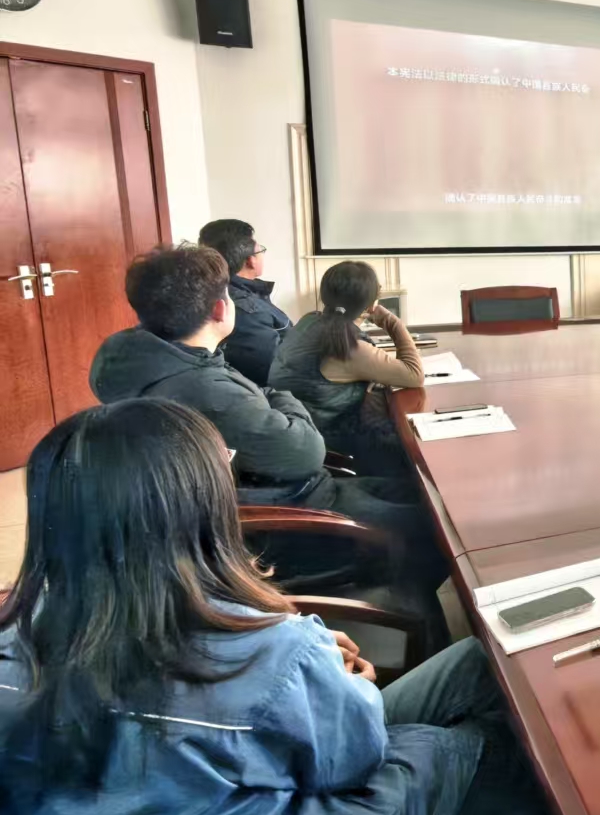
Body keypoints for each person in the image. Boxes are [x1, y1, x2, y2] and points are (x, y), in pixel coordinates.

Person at [0, 400, 583, 815]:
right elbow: (353, 759)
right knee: (491, 740)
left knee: (477, 667)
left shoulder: (13, 646)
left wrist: (308, 662)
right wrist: (334, 675)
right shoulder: (263, 651)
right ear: (200, 511)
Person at [89, 244, 445, 592]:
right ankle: (418, 620)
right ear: (220, 309)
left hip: (276, 499)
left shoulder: (162, 363)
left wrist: (272, 398)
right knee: (441, 526)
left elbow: (270, 396)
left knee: (428, 496)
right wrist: (281, 398)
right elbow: (305, 450)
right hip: (292, 524)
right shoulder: (204, 389)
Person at [270, 260, 422, 477]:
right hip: (329, 437)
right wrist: (392, 322)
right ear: (371, 305)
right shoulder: (349, 347)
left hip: (296, 429)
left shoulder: (309, 321)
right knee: (410, 445)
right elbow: (414, 375)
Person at [199, 218, 291, 387]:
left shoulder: (219, 289)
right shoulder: (247, 311)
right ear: (250, 260)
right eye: (261, 250)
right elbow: (271, 371)